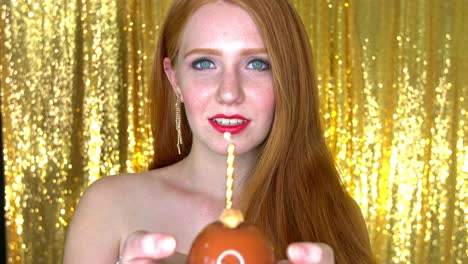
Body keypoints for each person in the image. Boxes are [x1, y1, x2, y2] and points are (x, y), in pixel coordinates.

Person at [63, 0, 375, 263]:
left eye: (256, 64)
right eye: (204, 64)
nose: (229, 93)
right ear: (174, 80)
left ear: (287, 80)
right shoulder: (108, 207)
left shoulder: (337, 215)